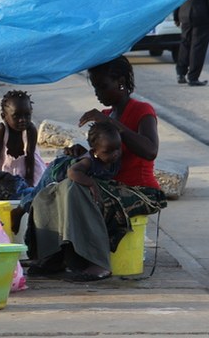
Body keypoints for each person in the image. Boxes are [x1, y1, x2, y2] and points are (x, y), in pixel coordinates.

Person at [27, 56, 166, 281]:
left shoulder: (142, 110)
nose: (98, 93)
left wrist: (112, 124)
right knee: (53, 191)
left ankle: (98, 262)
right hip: (112, 183)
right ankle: (53, 255)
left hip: (139, 189)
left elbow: (150, 150)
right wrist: (83, 151)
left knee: (75, 189)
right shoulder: (108, 115)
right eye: (95, 87)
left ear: (120, 82)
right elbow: (101, 155)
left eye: (103, 86)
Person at [0, 90, 47, 188]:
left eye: (27, 115)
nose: (22, 120)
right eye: (16, 116)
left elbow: (30, 158)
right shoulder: (1, 130)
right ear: (4, 116)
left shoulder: (30, 130)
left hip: (25, 169)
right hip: (2, 169)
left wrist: (30, 183)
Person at [174, 0, 209, 86]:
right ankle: (193, 77)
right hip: (202, 15)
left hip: (184, 13)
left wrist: (176, 15)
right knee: (198, 47)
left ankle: (180, 73)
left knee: (185, 43)